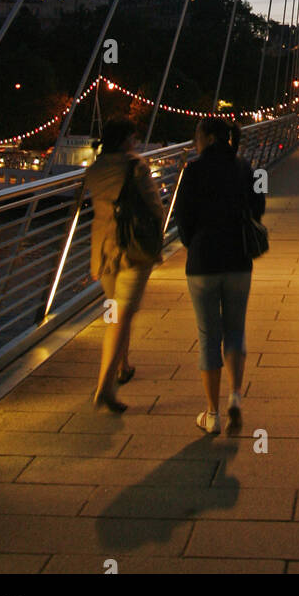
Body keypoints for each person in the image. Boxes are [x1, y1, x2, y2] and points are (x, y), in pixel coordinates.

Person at [175, 116, 263, 434]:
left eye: (198, 137)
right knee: (235, 332)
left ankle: (212, 415)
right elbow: (258, 207)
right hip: (239, 261)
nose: (195, 142)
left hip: (203, 262)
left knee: (209, 338)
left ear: (209, 138)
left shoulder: (193, 171)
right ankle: (235, 398)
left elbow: (183, 219)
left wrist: (194, 243)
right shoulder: (245, 168)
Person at [81, 120, 164, 413]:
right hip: (133, 249)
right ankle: (105, 388)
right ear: (128, 140)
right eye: (134, 138)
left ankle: (123, 366)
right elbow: (155, 207)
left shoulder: (94, 169)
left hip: (103, 251)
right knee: (122, 317)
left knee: (115, 311)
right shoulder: (136, 167)